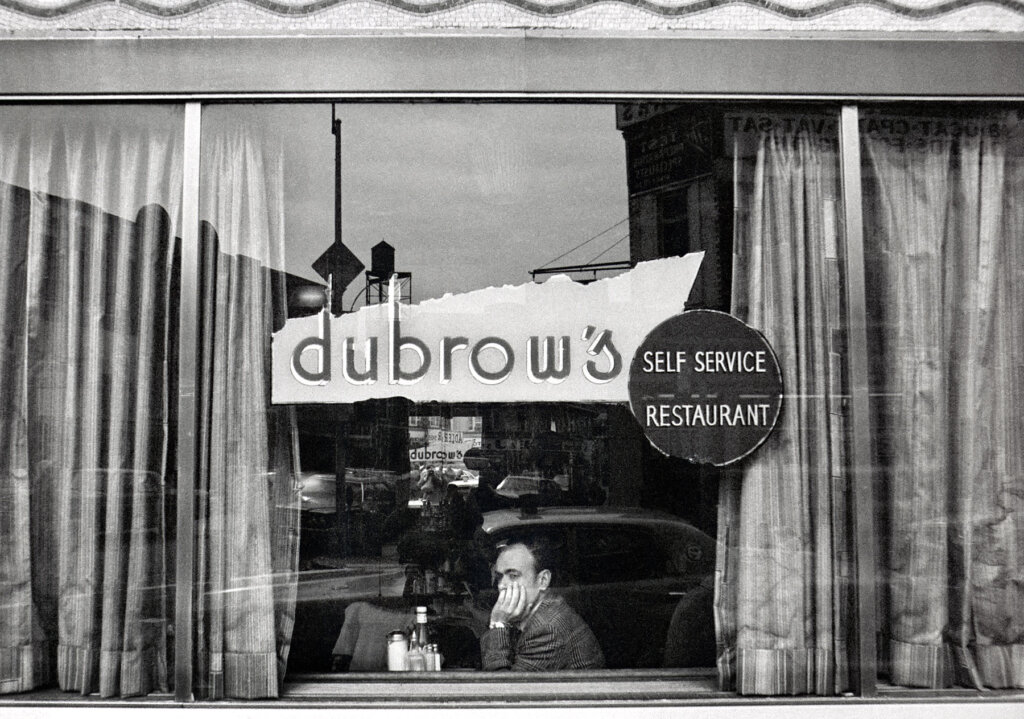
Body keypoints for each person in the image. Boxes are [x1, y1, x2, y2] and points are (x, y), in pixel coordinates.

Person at [479, 537, 604, 671]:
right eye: (499, 577)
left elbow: (503, 688)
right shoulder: (538, 608)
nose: (501, 585)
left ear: (543, 580)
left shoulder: (547, 629)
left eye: (513, 576)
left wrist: (498, 624)